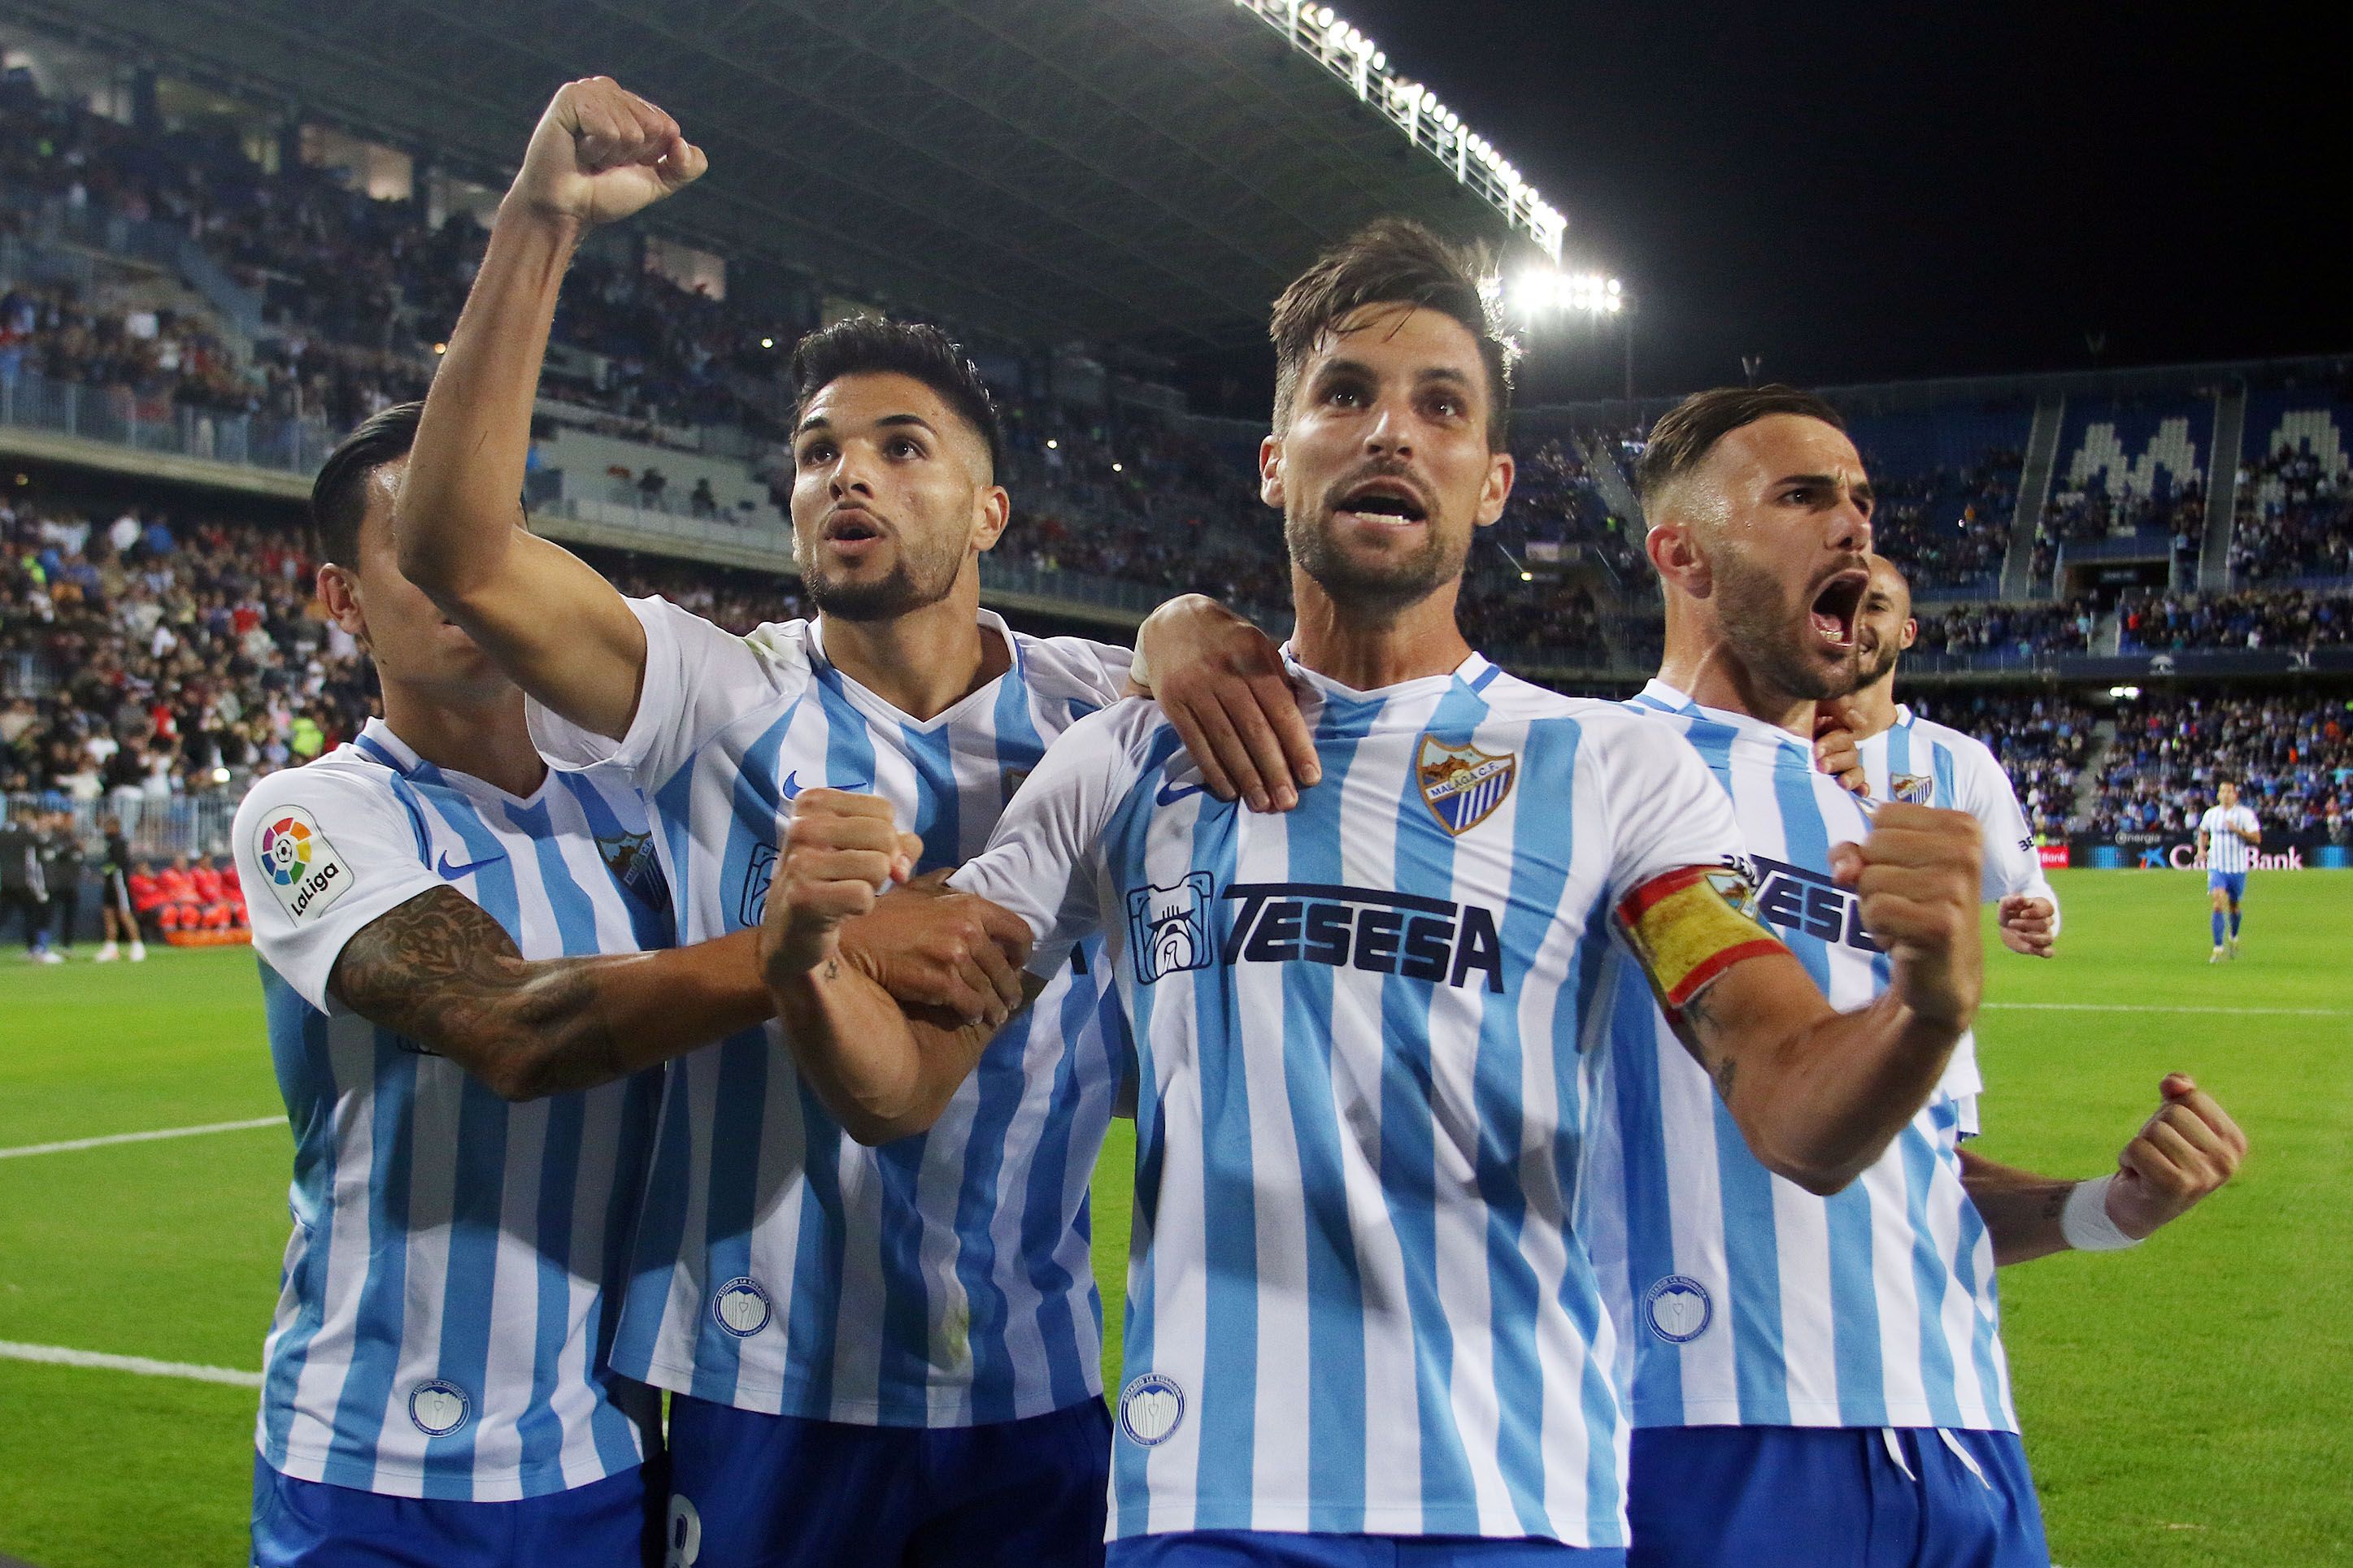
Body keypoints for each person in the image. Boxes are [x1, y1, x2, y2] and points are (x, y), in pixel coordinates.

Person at [760, 219, 1994, 1566]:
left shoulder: (1604, 770)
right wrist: (807, 958)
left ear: (1491, 483)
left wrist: (1925, 1009)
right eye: (1342, 394)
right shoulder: (1125, 756)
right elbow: (904, 1078)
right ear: (1275, 458)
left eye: (1438, 406)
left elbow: (1790, 1102)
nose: (1390, 432)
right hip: (1210, 1503)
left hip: (1514, 1502)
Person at [393, 77, 1310, 1568]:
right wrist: (540, 218)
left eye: (899, 446)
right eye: (820, 450)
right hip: (768, 1385)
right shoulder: (713, 691)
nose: (848, 476)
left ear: (991, 512)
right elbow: (453, 548)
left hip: (1028, 1384)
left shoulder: (1104, 711)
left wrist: (1186, 614)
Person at [233, 402, 990, 1568]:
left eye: (493, 546)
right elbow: (510, 1027)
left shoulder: (635, 800)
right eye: (419, 556)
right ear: (342, 600)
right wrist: (815, 943)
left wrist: (1178, 634)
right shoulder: (310, 815)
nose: (469, 587)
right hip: (381, 1466)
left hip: (616, 1451)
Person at [1594, 384, 2246, 1568]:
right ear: (1679, 552)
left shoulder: (1881, 812)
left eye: (1859, 498)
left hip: (1958, 1435)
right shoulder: (1585, 772)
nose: (1852, 526)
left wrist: (2105, 1209)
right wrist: (1179, 631)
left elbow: (1919, 1170)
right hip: (1702, 1430)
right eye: (1801, 496)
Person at [1835, 553, 2061, 1133]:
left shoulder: (1959, 761)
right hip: (1798, 1069)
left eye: (1876, 605)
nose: (1856, 618)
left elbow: (2027, 885)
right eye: (1841, 601)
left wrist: (2035, 914)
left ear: (1907, 632)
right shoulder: (1769, 749)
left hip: (1929, 1079)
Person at [2195, 780, 2260, 961]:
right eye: (2222, 791)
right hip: (2217, 866)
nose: (2225, 794)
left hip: (2237, 868)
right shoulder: (2211, 814)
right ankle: (2218, 948)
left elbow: (2257, 838)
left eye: (2229, 791)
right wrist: (2201, 849)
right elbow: (2203, 831)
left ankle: (2233, 935)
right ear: (2218, 795)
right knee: (2217, 903)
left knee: (2234, 906)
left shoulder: (2245, 815)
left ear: (2235, 795)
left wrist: (2237, 830)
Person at [1, 799, 56, 962]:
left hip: (7, 882)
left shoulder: (4, 832)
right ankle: (37, 950)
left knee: (4, 915)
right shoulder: (29, 835)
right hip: (26, 882)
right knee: (33, 916)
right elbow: (34, 861)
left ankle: (35, 949)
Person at [94, 814, 145, 961]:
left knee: (124, 914)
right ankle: (111, 948)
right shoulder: (109, 842)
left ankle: (137, 946)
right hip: (110, 884)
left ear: (115, 827)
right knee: (108, 914)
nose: (105, 829)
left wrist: (102, 872)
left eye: (108, 826)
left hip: (119, 883)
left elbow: (116, 864)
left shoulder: (120, 842)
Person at [39, 810, 84, 955]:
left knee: (69, 916)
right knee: (47, 915)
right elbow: (56, 853)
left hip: (71, 884)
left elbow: (79, 859)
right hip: (54, 884)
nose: (70, 823)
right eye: (67, 819)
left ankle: (67, 945)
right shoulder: (53, 837)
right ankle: (42, 945)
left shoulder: (74, 838)